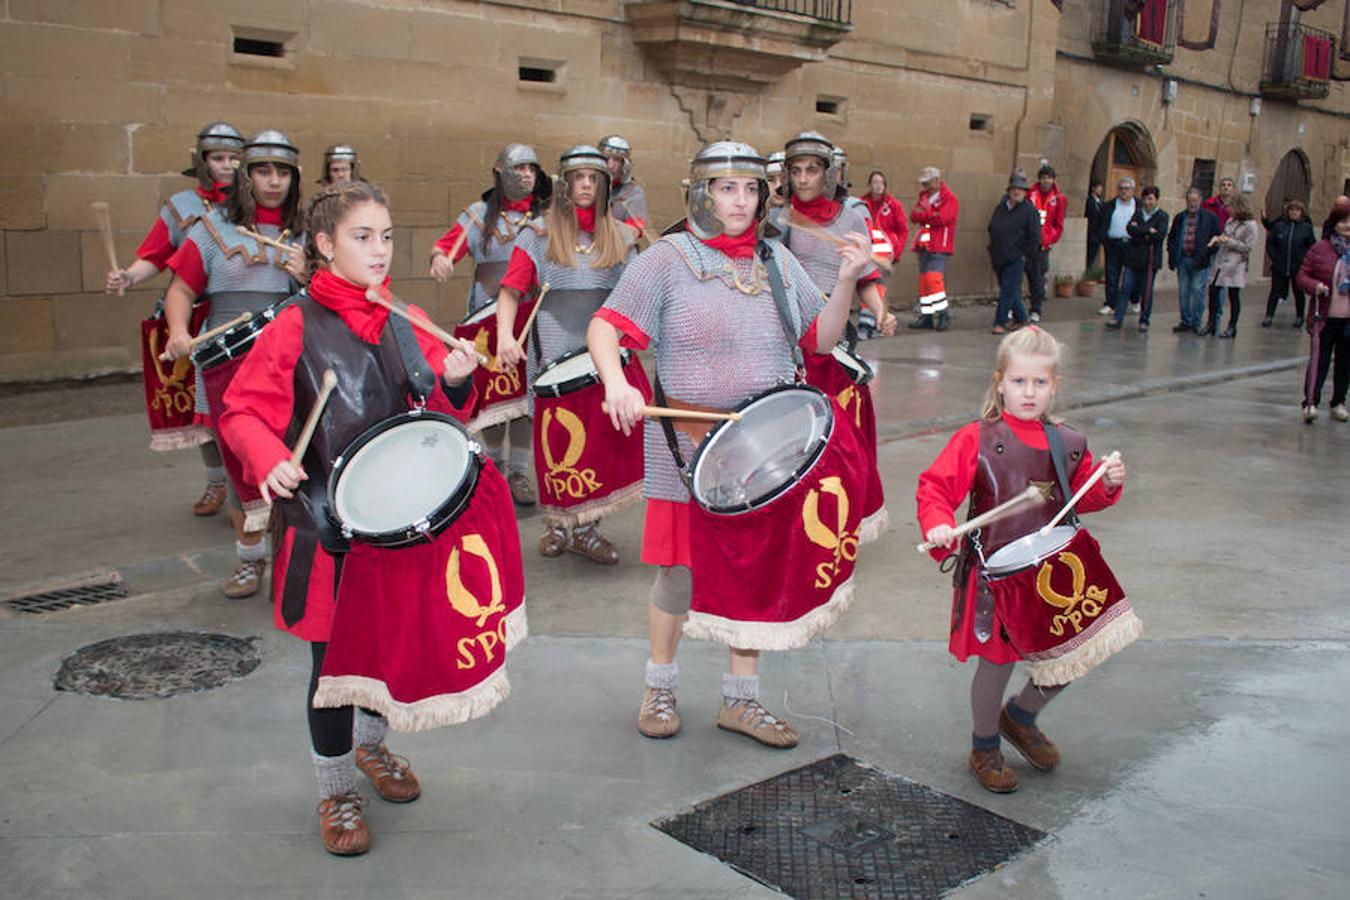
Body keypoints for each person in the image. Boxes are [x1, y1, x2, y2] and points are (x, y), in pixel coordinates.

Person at [218, 180, 518, 856]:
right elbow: (240, 411)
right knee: (333, 666)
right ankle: (335, 790)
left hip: (394, 523)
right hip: (325, 524)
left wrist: (463, 376)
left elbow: (439, 408)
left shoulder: (403, 315)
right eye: (362, 237)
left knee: (382, 649)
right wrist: (269, 458)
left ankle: (370, 749)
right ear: (325, 246)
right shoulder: (294, 323)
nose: (379, 251)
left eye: (385, 237)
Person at [588, 141, 872, 748]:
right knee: (679, 576)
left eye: (749, 189)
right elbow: (606, 327)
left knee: (751, 574)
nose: (739, 202)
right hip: (684, 445)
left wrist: (847, 281)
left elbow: (820, 338)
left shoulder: (775, 258)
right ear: (702, 193)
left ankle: (740, 701)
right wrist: (616, 381)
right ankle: (659, 685)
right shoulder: (666, 259)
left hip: (762, 451)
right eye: (726, 188)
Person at [916, 326, 1128, 793]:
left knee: (1074, 654)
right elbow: (935, 487)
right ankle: (985, 744)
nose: (1029, 393)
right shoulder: (976, 437)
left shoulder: (1069, 443)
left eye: (1039, 383)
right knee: (997, 662)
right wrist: (937, 523)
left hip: (1054, 573)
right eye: (1019, 382)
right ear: (1000, 382)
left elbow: (1081, 499)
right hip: (996, 575)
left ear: (1055, 386)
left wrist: (1107, 482)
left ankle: (1021, 716)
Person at [161, 129, 306, 598]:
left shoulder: (308, 232)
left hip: (286, 356)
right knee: (239, 463)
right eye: (263, 170)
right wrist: (180, 332)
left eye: (282, 172)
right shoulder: (210, 228)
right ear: (246, 175)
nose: (273, 181)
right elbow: (180, 290)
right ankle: (249, 559)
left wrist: (308, 274)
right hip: (226, 361)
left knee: (291, 460)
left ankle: (289, 558)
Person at [496, 145, 638, 564]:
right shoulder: (537, 233)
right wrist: (506, 335)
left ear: (606, 184)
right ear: (564, 183)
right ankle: (559, 523)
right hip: (552, 348)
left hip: (602, 351)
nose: (586, 186)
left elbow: (635, 298)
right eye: (578, 178)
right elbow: (510, 290)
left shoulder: (621, 235)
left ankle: (588, 528)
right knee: (553, 441)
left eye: (594, 178)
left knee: (593, 440)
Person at [105, 121, 243, 515]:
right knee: (199, 409)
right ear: (202, 162)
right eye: (219, 158)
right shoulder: (182, 206)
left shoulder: (252, 208)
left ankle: (249, 486)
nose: (228, 165)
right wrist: (129, 275)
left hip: (235, 315)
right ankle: (217, 482)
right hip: (189, 316)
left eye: (235, 158)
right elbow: (155, 255)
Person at [429, 143, 552, 505]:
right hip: (485, 314)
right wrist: (440, 259)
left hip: (531, 315)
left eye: (532, 169)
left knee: (526, 395)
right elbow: (445, 246)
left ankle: (518, 470)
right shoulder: (479, 214)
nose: (527, 175)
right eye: (519, 169)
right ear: (501, 175)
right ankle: (495, 467)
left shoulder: (547, 219)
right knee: (495, 393)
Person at [775, 132, 893, 337]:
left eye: (812, 170)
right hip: (783, 327)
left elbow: (864, 278)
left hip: (830, 324)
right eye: (796, 171)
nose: (802, 180)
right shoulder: (775, 218)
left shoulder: (851, 219)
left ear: (827, 173)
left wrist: (881, 313)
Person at [1295, 203, 1350, 423]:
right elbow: (1302, 276)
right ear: (1334, 224)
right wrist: (1315, 285)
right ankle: (1310, 402)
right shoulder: (1320, 249)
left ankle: (1338, 402)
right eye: (1343, 221)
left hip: (1348, 319)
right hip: (1325, 316)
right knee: (1320, 360)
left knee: (1345, 363)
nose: (1347, 226)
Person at [986, 170, 1041, 335]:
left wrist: (1025, 255)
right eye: (1014, 188)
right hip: (998, 255)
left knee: (1007, 290)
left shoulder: (1029, 211)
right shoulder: (1001, 207)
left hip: (1016, 257)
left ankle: (1000, 322)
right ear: (1009, 191)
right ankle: (1021, 318)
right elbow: (992, 226)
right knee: (1010, 290)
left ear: (1025, 192)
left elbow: (1034, 237)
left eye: (1020, 189)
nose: (1017, 192)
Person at [1109, 185, 1168, 333]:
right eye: (1146, 199)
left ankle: (1144, 320)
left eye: (1151, 199)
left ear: (1156, 200)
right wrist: (1147, 230)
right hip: (1133, 258)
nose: (1148, 202)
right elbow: (1130, 229)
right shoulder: (1137, 213)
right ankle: (1118, 318)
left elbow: (1159, 235)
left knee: (1146, 291)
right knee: (1125, 288)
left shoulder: (1162, 216)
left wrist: (1141, 231)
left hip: (1150, 260)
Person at [908, 166, 960, 331]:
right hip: (924, 245)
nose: (925, 187)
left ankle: (943, 314)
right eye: (924, 184)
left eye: (928, 183)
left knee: (933, 280)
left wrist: (926, 215)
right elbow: (914, 215)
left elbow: (944, 218)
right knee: (925, 282)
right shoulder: (923, 196)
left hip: (940, 245)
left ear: (937, 181)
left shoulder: (950, 199)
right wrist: (931, 214)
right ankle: (927, 317)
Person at [1201, 194, 1258, 338]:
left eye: (1230, 206)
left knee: (1233, 295)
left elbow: (1248, 247)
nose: (1228, 209)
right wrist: (1219, 239)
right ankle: (1211, 323)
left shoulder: (1250, 225)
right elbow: (1225, 235)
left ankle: (1232, 326)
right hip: (1222, 260)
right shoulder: (1230, 221)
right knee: (1213, 291)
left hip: (1236, 263)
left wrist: (1229, 241)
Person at [1166, 188, 1222, 333]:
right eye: (1190, 201)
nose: (1193, 204)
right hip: (1183, 259)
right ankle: (1185, 320)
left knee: (1198, 290)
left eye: (1195, 201)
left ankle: (1196, 321)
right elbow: (1172, 237)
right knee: (1183, 292)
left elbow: (1217, 238)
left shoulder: (1210, 217)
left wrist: (1207, 252)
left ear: (1200, 201)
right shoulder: (1180, 218)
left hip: (1201, 261)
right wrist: (1172, 255)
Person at [1262, 199, 1315, 328]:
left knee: (1298, 292)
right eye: (1292, 210)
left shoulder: (1306, 228)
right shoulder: (1279, 226)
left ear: (1301, 212)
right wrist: (1275, 258)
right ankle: (1269, 315)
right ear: (1288, 211)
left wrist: (1305, 262)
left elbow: (1312, 247)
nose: (1294, 212)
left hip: (1298, 266)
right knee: (1275, 291)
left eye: (1297, 210)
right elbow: (1271, 244)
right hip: (1280, 265)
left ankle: (1299, 317)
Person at [1026, 164, 1067, 323]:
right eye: (1043, 178)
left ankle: (1036, 308)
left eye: (1049, 178)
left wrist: (1050, 239)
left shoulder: (1058, 199)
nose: (1046, 181)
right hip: (1028, 242)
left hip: (1043, 244)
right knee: (1025, 273)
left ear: (1053, 180)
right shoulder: (1030, 194)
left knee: (1038, 276)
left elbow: (1059, 223)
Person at [1097, 177, 1136, 318]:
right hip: (1113, 243)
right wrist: (1103, 238)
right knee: (1112, 274)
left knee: (1131, 276)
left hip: (1132, 244)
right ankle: (1110, 304)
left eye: (1127, 188)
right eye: (1121, 188)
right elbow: (1100, 223)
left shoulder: (1137, 205)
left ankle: (1134, 300)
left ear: (1132, 190)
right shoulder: (1109, 205)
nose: (1124, 191)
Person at [599, 134, 648, 239]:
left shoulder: (634, 193)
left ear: (624, 165)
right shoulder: (587, 187)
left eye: (616, 160)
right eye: (606, 158)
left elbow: (634, 232)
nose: (610, 165)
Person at [861, 170, 909, 269]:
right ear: (869, 185)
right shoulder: (861, 204)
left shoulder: (894, 205)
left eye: (881, 182)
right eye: (875, 182)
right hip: (867, 253)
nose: (879, 185)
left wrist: (897, 252)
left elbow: (903, 230)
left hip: (886, 254)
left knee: (880, 283)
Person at [1084, 179, 1105, 270]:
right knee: (1089, 254)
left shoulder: (1101, 202)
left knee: (1093, 254)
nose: (1100, 190)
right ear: (1093, 188)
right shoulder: (1089, 201)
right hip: (1090, 231)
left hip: (1098, 233)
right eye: (1098, 188)